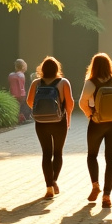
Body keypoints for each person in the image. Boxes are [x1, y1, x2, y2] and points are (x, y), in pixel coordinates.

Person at [79, 53, 112, 208]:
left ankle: (95, 185)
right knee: (111, 158)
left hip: (96, 123)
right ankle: (107, 195)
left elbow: (82, 102)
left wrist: (90, 115)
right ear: (110, 65)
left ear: (93, 66)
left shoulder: (90, 83)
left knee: (92, 155)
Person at [31, 56, 75, 200]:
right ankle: (54, 180)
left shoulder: (36, 83)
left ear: (42, 69)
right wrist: (68, 119)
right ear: (57, 69)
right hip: (59, 122)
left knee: (46, 153)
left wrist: (41, 111)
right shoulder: (63, 83)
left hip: (41, 123)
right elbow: (69, 104)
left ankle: (48, 187)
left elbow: (29, 101)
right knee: (58, 153)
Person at [8, 59, 29, 124]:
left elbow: (10, 85)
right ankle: (21, 118)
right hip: (21, 94)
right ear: (23, 66)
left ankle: (18, 118)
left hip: (12, 93)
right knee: (21, 106)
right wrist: (23, 94)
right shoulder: (21, 75)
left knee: (16, 106)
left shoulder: (11, 75)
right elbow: (21, 86)